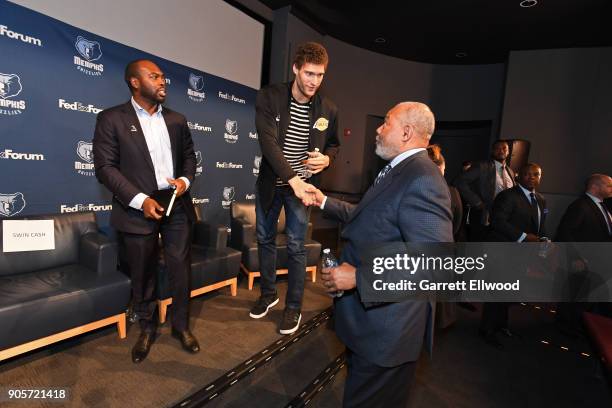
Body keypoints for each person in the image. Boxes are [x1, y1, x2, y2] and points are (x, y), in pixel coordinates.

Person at [305, 102, 452, 406]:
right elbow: (371, 216)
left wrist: (360, 277)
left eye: (386, 122)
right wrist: (323, 202)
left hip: (388, 336)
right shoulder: (400, 169)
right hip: (372, 327)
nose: (378, 129)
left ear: (407, 132)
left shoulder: (423, 178)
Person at [93, 59, 199, 363]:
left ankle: (181, 326)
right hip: (137, 207)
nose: (162, 81)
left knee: (180, 269)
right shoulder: (111, 119)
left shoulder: (177, 120)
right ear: (135, 82)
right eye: (154, 77)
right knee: (143, 273)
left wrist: (184, 180)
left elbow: (190, 157)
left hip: (176, 203)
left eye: (163, 77)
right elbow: (105, 168)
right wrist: (139, 199)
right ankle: (147, 328)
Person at [249, 42, 340, 335]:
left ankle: (293, 308)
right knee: (264, 238)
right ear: (296, 69)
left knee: (296, 247)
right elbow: (269, 144)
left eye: (320, 75)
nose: (314, 81)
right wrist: (294, 179)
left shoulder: (329, 108)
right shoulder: (269, 97)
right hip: (274, 183)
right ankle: (268, 294)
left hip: (302, 188)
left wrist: (326, 160)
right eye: (309, 73)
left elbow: (335, 145)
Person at [480, 163, 547, 349]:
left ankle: (501, 326)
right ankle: (487, 330)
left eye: (536, 174)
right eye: (527, 174)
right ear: (518, 177)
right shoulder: (507, 196)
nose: (532, 177)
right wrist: (524, 237)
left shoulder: (540, 200)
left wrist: (543, 240)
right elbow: (498, 221)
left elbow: (539, 226)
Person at [555, 174, 612, 331]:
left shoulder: (602, 205)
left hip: (600, 261)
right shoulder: (580, 206)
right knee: (576, 295)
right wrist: (575, 258)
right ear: (595, 187)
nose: (611, 189)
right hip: (583, 261)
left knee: (586, 296)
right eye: (609, 185)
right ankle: (566, 326)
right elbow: (565, 233)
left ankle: (577, 324)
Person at [454, 141, 515, 241]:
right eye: (497, 148)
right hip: (484, 215)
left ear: (508, 152)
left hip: (504, 219)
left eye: (504, 148)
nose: (501, 151)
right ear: (492, 151)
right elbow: (459, 182)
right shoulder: (482, 166)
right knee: (478, 248)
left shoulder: (510, 171)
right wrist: (476, 202)